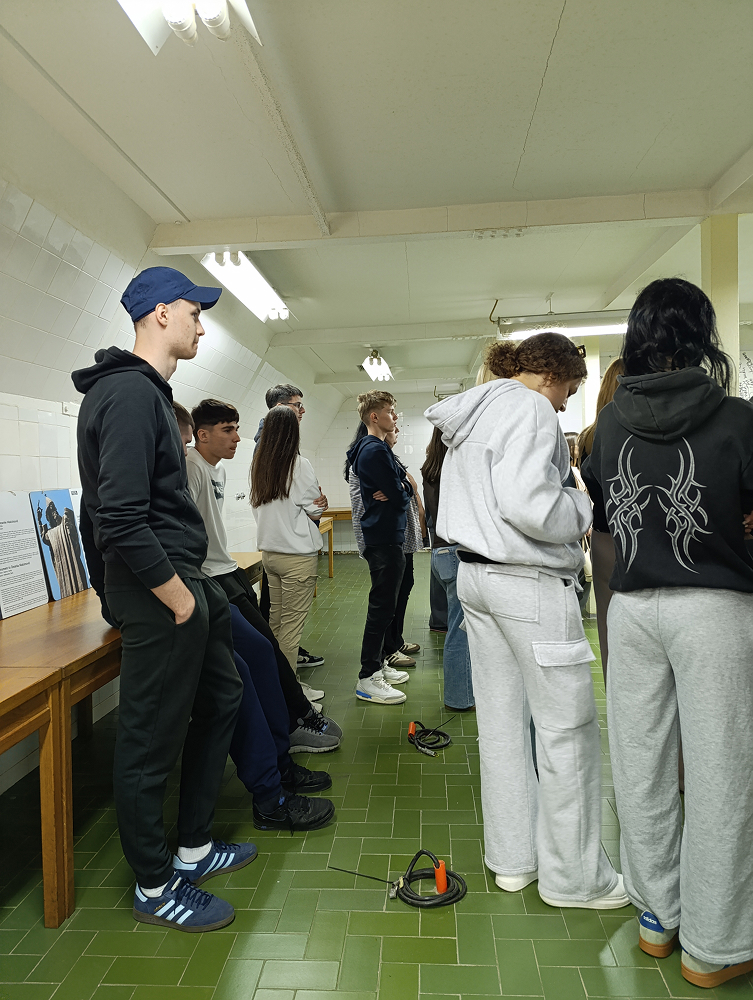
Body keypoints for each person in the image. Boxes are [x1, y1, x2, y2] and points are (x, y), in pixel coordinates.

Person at [582, 278, 753, 988]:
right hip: (713, 607)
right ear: (702, 334)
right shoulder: (737, 418)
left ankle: (658, 917)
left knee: (641, 765)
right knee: (719, 774)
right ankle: (713, 946)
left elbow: (604, 513)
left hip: (632, 608)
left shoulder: (609, 423)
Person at [72, 266, 253, 933]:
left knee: (222, 697)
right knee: (150, 738)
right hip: (158, 588)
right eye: (194, 313)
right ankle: (153, 884)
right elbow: (116, 515)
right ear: (159, 315)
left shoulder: (146, 392)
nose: (202, 326)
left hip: (180, 579)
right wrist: (176, 599)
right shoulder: (126, 393)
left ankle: (193, 847)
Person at [426, 332, 627, 909]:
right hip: (526, 583)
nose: (565, 404)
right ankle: (576, 880)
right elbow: (531, 505)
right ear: (551, 375)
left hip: (476, 579)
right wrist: (582, 505)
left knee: (502, 728)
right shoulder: (532, 409)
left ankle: (513, 861)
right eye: (569, 390)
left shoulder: (475, 410)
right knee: (566, 729)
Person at [172, 403, 336, 832]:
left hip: (220, 574)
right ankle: (270, 793)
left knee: (265, 651)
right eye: (228, 430)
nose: (237, 437)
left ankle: (281, 763)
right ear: (201, 434)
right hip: (200, 583)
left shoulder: (219, 469)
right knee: (242, 676)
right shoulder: (188, 467)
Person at [346, 390, 413, 705]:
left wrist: (401, 487)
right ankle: (368, 677)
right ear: (374, 416)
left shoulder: (376, 448)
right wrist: (401, 489)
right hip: (383, 538)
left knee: (386, 607)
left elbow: (402, 487)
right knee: (381, 609)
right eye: (390, 411)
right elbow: (400, 495)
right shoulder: (373, 450)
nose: (394, 417)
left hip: (387, 535)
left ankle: (379, 664)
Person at [254, 383, 326, 669]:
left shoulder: (258, 465)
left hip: (270, 555)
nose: (302, 412)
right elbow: (314, 509)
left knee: (275, 623)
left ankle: (275, 686)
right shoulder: (299, 464)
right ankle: (290, 691)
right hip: (297, 559)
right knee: (291, 630)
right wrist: (318, 505)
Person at [421, 426, 474, 711]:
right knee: (460, 631)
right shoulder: (454, 470)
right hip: (456, 552)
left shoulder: (430, 468)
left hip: (439, 551)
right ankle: (460, 698)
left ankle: (465, 691)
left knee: (457, 627)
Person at [578, 358, 623, 679]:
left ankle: (614, 687)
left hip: (603, 535)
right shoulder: (636, 434)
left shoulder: (589, 437)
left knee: (608, 622)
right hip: (640, 536)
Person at [36, 497, 88, 597]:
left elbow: (73, 532)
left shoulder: (65, 523)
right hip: (61, 565)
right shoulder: (50, 533)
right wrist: (39, 520)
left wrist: (68, 517)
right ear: (49, 517)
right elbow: (44, 537)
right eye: (51, 513)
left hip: (72, 559)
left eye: (54, 511)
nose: (54, 514)